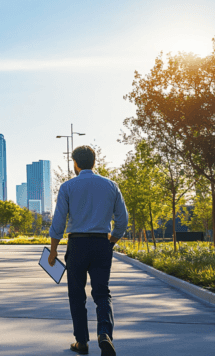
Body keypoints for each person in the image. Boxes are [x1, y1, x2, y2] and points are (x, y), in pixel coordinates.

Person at [47, 145, 128, 356]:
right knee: (102, 293)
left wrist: (53, 250)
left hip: (78, 245)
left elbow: (58, 222)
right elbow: (122, 220)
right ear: (94, 161)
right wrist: (112, 241)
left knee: (76, 295)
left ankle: (82, 342)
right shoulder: (111, 185)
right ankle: (104, 334)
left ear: (75, 163)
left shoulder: (67, 187)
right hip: (102, 243)